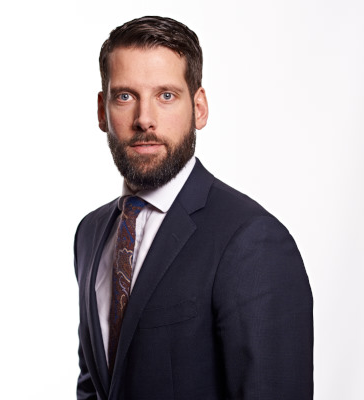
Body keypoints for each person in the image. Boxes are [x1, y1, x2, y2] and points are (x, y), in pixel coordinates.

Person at [73, 16, 313, 400]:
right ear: (102, 111)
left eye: (166, 95)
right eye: (125, 96)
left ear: (199, 108)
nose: (144, 119)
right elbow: (96, 383)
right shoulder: (92, 232)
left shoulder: (251, 241)